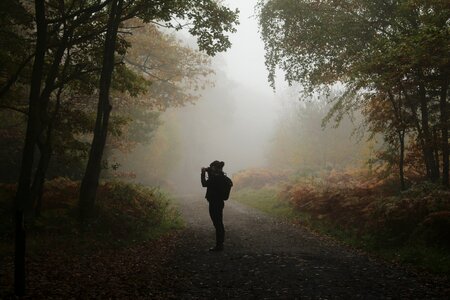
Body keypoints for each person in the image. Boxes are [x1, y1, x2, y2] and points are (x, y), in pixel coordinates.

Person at [201, 160, 228, 252]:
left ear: (214, 168)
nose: (209, 168)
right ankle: (220, 244)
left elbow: (204, 184)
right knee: (219, 223)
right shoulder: (221, 176)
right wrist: (210, 172)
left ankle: (219, 246)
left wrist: (203, 173)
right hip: (220, 203)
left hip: (214, 203)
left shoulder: (214, 178)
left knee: (217, 224)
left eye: (211, 167)